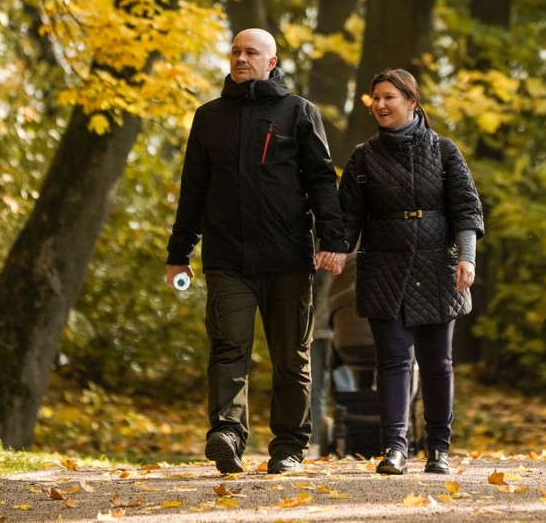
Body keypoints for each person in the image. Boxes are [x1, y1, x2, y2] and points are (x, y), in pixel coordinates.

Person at [165, 28, 348, 475]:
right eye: (235, 51)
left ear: (272, 61)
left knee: (291, 356)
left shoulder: (299, 113)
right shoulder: (208, 117)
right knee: (228, 348)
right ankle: (227, 434)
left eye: (251, 52)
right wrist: (179, 252)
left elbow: (323, 181)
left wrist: (334, 241)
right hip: (229, 259)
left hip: (288, 257)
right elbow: (193, 190)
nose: (241, 58)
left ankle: (288, 446)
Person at [337, 68, 484, 476]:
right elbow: (347, 217)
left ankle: (438, 449)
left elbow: (465, 209)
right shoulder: (364, 157)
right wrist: (333, 250)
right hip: (384, 267)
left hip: (438, 266)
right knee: (393, 361)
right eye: (375, 99)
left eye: (388, 97)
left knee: (438, 363)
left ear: (411, 102)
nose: (380, 105)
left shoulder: (444, 150)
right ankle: (395, 449)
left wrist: (466, 257)